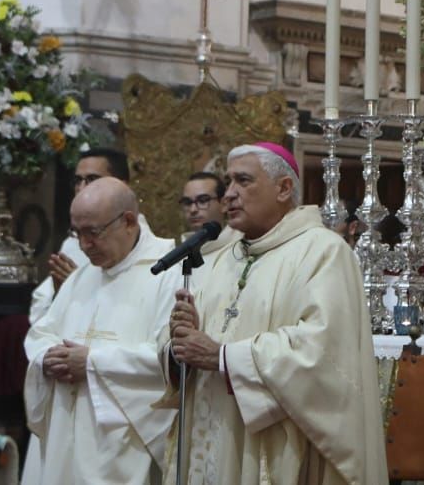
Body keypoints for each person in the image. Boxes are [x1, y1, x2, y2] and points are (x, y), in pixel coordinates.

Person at [165, 142, 386, 484]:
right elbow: (196, 347)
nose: (230, 195)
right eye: (228, 183)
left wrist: (223, 357)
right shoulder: (226, 257)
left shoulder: (323, 251)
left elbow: (321, 354)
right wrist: (180, 341)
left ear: (283, 188)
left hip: (269, 447)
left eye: (243, 181)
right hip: (211, 440)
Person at [22, 178, 178, 485]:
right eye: (76, 233)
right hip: (66, 430)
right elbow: (42, 333)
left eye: (92, 233)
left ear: (129, 221)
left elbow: (170, 358)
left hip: (122, 443)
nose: (83, 245)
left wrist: (92, 363)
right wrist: (46, 359)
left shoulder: (170, 272)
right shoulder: (83, 278)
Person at [28, 147, 135, 324]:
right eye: (78, 181)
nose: (82, 188)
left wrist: (79, 289)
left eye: (92, 179)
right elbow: (40, 313)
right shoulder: (71, 244)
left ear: (121, 185)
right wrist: (62, 293)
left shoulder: (145, 249)